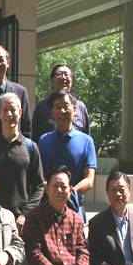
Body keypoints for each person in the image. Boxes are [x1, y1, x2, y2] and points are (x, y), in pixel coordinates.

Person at [0, 92, 44, 230]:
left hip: (21, 221)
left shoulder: (31, 147)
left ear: (20, 112)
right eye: (5, 110)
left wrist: (25, 214)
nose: (9, 114)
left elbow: (39, 186)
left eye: (13, 109)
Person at [37, 91, 97, 221]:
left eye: (66, 106)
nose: (62, 111)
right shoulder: (43, 141)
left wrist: (68, 192)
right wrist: (53, 193)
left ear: (74, 109)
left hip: (75, 207)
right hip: (48, 208)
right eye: (58, 107)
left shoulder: (87, 141)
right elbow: (40, 176)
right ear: (52, 113)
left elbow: (89, 179)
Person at [31, 64, 90, 142]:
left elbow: (86, 137)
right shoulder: (41, 107)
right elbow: (34, 140)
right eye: (59, 74)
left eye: (66, 74)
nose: (63, 77)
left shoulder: (80, 107)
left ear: (72, 81)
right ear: (51, 81)